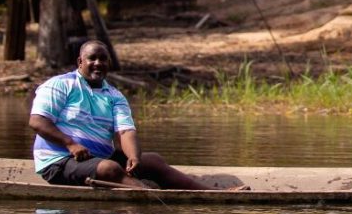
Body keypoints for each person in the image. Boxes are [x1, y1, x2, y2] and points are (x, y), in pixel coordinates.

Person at [29, 40, 229, 190]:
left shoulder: (114, 96)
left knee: (153, 160)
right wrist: (70, 144)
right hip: (58, 160)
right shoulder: (60, 85)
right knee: (110, 169)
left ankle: (211, 193)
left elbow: (125, 132)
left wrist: (133, 157)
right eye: (92, 59)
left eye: (103, 59)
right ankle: (147, 195)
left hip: (96, 158)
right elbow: (37, 121)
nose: (98, 63)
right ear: (80, 62)